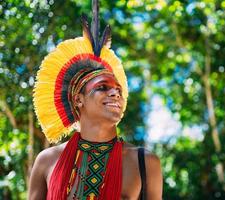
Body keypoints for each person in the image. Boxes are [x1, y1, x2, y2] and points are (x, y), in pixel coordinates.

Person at [28, 6, 162, 200]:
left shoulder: (144, 162)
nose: (115, 93)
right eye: (102, 87)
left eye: (119, 90)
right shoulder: (47, 161)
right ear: (78, 99)